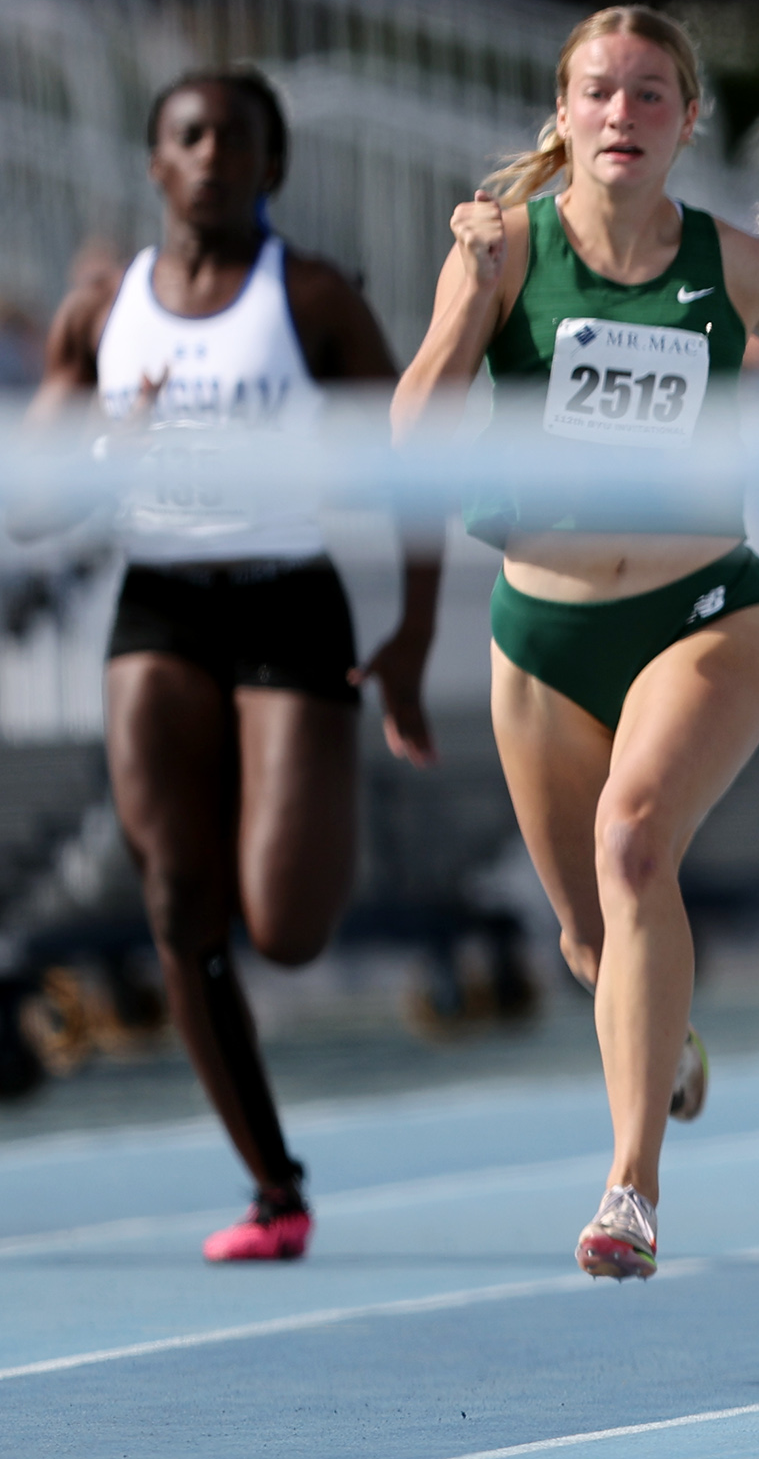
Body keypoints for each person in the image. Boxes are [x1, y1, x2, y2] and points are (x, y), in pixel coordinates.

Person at [390, 7, 759, 1280]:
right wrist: (464, 299)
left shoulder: (740, 263)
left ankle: (630, 1186)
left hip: (704, 612)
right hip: (540, 632)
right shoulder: (505, 253)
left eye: (652, 96)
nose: (624, 116)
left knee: (635, 839)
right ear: (566, 111)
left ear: (690, 121)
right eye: (602, 93)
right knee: (592, 939)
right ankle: (666, 1036)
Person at [11, 68, 439, 1261]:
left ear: (273, 167)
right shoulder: (100, 312)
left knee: (288, 926)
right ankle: (273, 1186)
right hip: (159, 610)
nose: (211, 156)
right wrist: (109, 440)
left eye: (236, 140)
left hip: (288, 603)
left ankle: (285, 812)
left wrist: (408, 635)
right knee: (176, 905)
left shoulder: (313, 302)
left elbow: (418, 468)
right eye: (189, 137)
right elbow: (35, 507)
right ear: (156, 163)